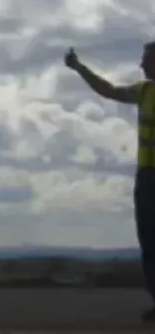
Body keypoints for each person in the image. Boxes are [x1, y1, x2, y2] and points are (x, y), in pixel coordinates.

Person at [66, 45, 155, 321]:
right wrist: (80, 68)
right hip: (147, 177)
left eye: (146, 60)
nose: (141, 66)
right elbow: (108, 90)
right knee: (149, 244)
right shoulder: (143, 92)